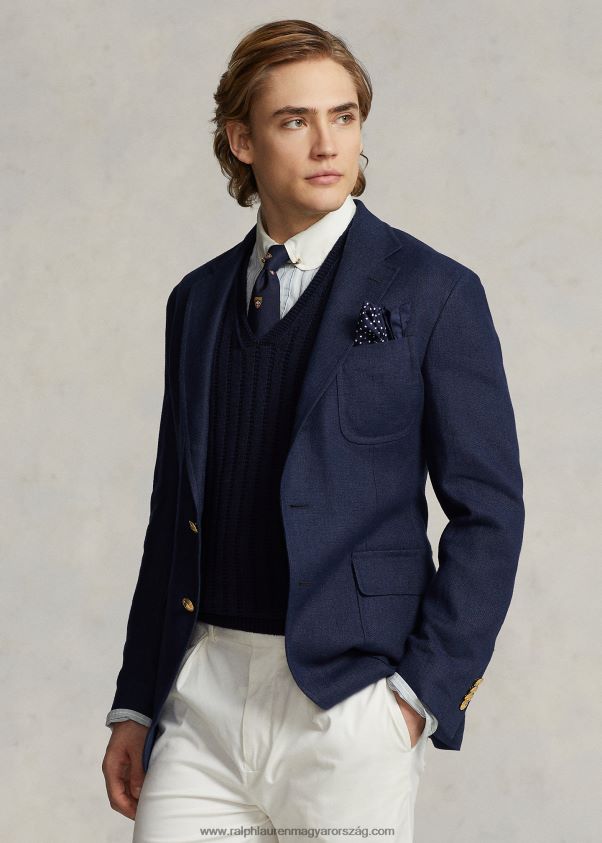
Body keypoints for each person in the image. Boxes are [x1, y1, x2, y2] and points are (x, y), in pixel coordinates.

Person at [102, 18, 525, 843]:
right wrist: (136, 700)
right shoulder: (196, 302)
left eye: (344, 116)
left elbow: (490, 511)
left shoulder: (435, 292)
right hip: (203, 691)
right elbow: (172, 515)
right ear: (243, 141)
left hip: (349, 703)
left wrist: (417, 696)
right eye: (295, 120)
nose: (328, 144)